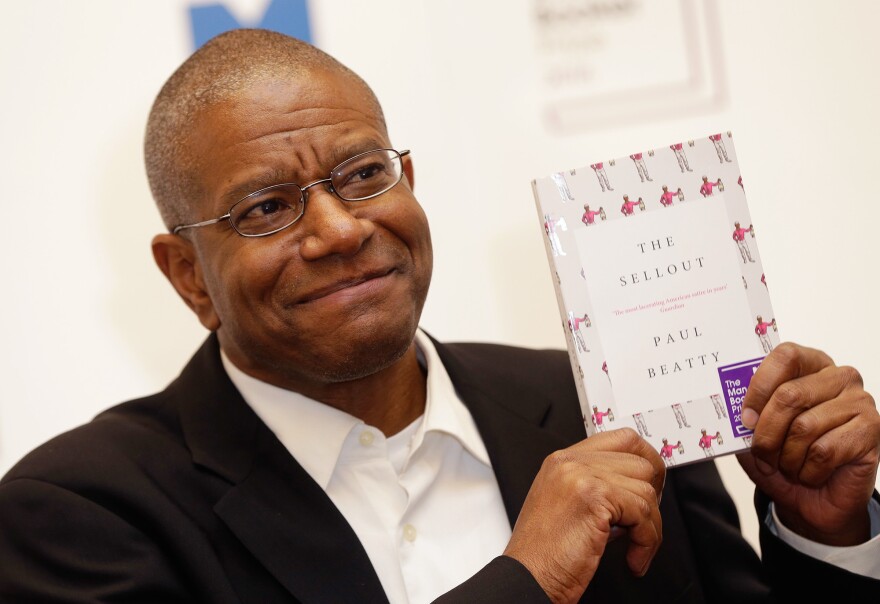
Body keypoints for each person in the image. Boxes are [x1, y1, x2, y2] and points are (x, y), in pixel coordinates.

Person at [1, 29, 879, 603]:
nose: (341, 230)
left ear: (407, 185)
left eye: (362, 175)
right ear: (187, 274)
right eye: (267, 208)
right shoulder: (78, 516)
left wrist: (825, 532)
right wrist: (525, 581)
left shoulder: (600, 405)